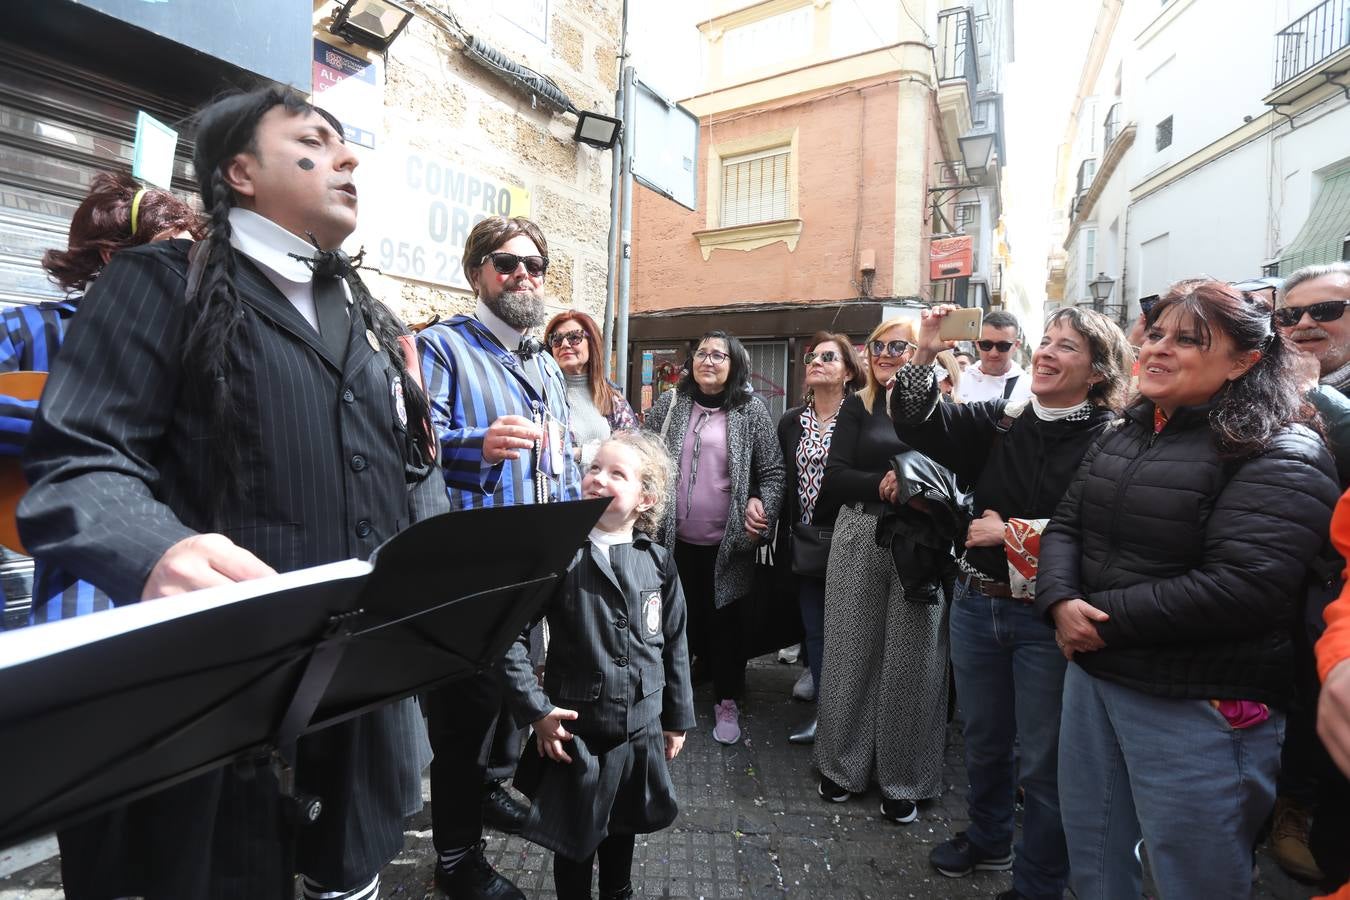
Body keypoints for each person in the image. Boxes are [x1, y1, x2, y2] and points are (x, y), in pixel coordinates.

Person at [18, 86, 443, 900]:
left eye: (346, 144)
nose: (347, 158)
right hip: (213, 730)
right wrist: (156, 550)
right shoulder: (158, 282)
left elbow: (409, 472)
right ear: (240, 172)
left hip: (360, 725)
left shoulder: (369, 314)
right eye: (314, 142)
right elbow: (79, 459)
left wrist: (441, 577)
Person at [1037, 279, 1339, 900]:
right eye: (1158, 335)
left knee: (1194, 876)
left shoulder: (1282, 447)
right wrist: (1059, 601)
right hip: (1095, 677)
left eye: (1189, 340)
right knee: (1093, 854)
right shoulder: (1126, 430)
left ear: (1245, 361)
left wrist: (1093, 618)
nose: (1159, 349)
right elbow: (1067, 524)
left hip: (1197, 702)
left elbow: (1243, 585)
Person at [891, 305, 1132, 900]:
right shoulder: (1003, 420)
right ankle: (990, 838)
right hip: (978, 603)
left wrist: (1014, 533)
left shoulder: (1115, 440)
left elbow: (1109, 531)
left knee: (1044, 762)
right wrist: (924, 350)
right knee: (983, 739)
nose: (1047, 353)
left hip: (1045, 618)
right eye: (1045, 341)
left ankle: (1041, 880)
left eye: (1067, 347)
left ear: (1099, 370)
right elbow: (918, 423)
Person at [418, 215, 582, 898]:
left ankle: (487, 792)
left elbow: (561, 459)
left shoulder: (542, 359)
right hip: (474, 572)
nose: (522, 275)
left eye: (534, 265)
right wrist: (474, 445)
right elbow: (414, 447)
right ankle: (456, 858)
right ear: (476, 271)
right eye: (505, 262)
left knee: (510, 696)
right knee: (465, 714)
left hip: (537, 568)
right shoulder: (442, 347)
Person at [2, 172, 203, 628]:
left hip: (191, 565)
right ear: (114, 257)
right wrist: (79, 423)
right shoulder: (29, 330)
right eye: (173, 252)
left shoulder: (204, 344)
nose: (189, 269)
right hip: (80, 579)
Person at [500, 430, 694, 900]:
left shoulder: (658, 562)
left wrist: (677, 718)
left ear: (644, 497)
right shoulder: (560, 555)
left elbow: (675, 644)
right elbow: (509, 639)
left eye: (615, 473)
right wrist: (537, 712)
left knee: (621, 832)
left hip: (639, 730)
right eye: (593, 468)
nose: (597, 478)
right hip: (575, 734)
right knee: (573, 846)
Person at [812, 317, 949, 825]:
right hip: (862, 532)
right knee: (850, 650)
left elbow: (953, 469)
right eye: (879, 345)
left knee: (913, 661)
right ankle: (841, 766)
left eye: (900, 346)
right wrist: (885, 485)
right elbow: (838, 476)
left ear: (919, 353)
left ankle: (904, 779)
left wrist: (911, 486)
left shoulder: (941, 406)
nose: (887, 353)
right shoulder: (858, 405)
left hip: (923, 540)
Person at [644, 330, 784, 746]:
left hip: (729, 544)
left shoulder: (750, 411)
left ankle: (727, 699)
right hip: (672, 542)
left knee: (727, 625)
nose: (708, 360)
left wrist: (762, 505)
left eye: (718, 355)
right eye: (702, 353)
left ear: (733, 364)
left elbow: (774, 473)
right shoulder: (670, 405)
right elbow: (645, 457)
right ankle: (670, 702)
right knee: (672, 624)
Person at [1271, 261, 1350, 883]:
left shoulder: (1311, 390)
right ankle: (1289, 806)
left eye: (1326, 311)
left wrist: (1314, 393)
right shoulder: (1268, 387)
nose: (1304, 324)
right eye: (1290, 314)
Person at [775, 332, 864, 743]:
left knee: (850, 633)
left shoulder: (862, 415)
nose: (817, 362)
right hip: (807, 542)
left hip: (852, 542)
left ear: (848, 371)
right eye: (813, 356)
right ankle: (827, 717)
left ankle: (850, 720)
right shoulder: (791, 420)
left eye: (829, 357)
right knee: (816, 630)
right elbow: (782, 480)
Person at [544, 309, 638, 465]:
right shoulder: (544, 394)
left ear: (592, 343)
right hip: (560, 489)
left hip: (602, 487)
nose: (565, 344)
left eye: (574, 337)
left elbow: (632, 451)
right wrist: (600, 450)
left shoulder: (611, 398)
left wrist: (580, 453)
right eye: (557, 339)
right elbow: (544, 451)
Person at [959, 310, 1032, 404]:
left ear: (1016, 345)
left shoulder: (1029, 388)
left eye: (1003, 346)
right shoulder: (958, 381)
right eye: (986, 344)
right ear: (977, 344)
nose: (994, 353)